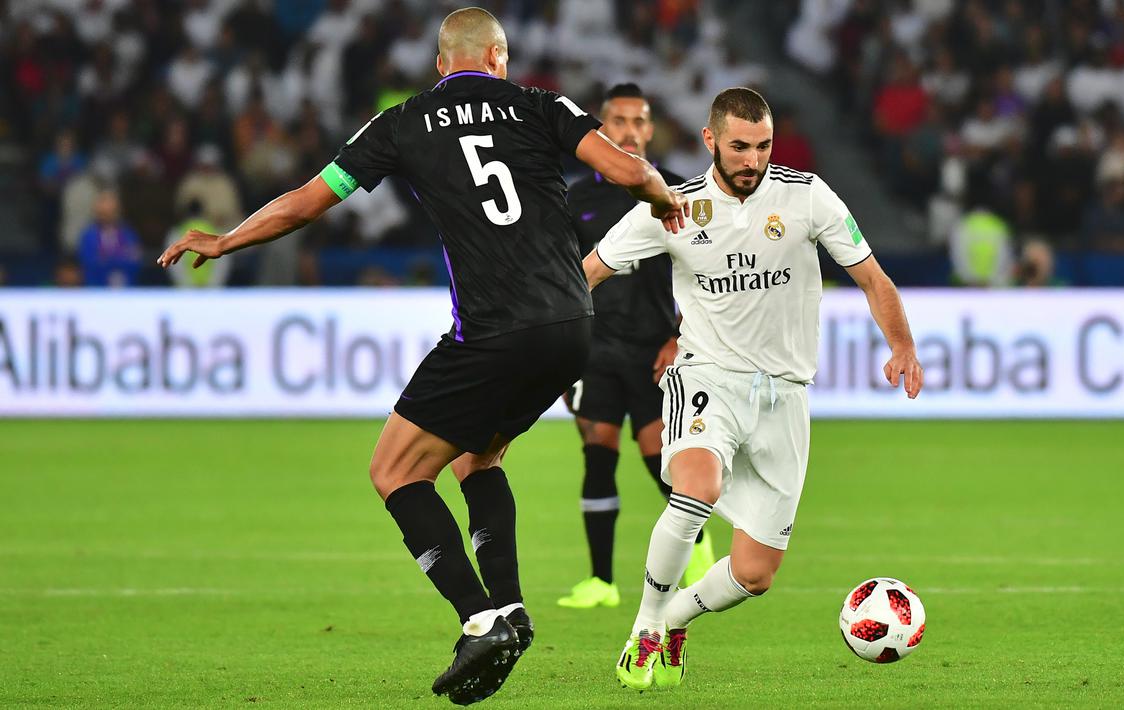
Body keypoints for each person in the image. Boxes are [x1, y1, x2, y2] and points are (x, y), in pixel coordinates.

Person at [158, 7, 687, 705]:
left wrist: (226, 239)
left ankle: (478, 617)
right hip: (570, 326)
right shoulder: (538, 103)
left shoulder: (400, 123)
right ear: (498, 57)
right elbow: (624, 169)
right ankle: (510, 608)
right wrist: (658, 195)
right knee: (478, 457)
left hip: (493, 328)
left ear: (442, 65)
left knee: (393, 472)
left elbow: (307, 203)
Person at [583, 87, 922, 691]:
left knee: (755, 573)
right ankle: (645, 628)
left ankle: (679, 615)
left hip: (786, 397)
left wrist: (902, 345)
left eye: (763, 145)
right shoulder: (673, 205)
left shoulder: (807, 195)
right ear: (710, 140)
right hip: (707, 376)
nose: (752, 160)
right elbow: (587, 274)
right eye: (739, 147)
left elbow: (872, 277)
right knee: (696, 488)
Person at [557, 83, 714, 611]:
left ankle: (697, 545)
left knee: (659, 463)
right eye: (618, 121)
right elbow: (564, 277)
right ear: (602, 129)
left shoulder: (676, 192)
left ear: (649, 129)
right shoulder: (575, 198)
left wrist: (678, 336)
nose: (628, 130)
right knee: (597, 457)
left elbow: (703, 274)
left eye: (637, 121)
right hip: (594, 350)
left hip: (654, 351)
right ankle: (600, 582)